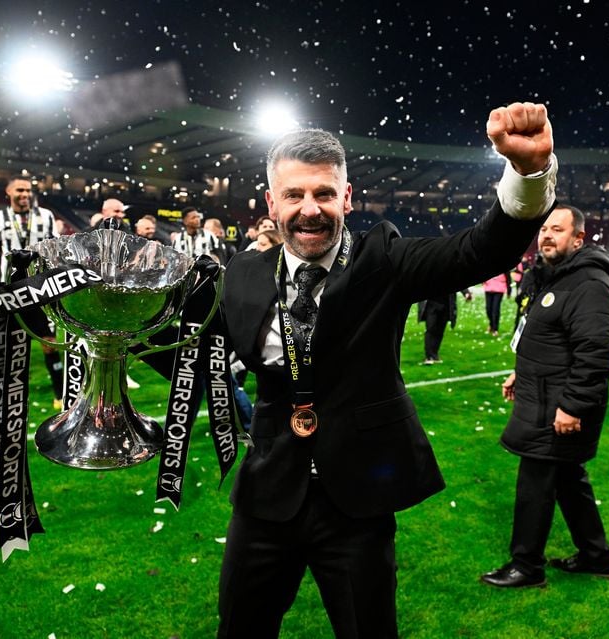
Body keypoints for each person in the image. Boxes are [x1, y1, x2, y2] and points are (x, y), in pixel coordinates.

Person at [211, 102, 556, 638]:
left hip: (357, 500)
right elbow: (199, 353)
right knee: (239, 629)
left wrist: (529, 173)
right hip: (267, 494)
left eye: (324, 193)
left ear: (346, 198)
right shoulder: (244, 273)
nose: (310, 208)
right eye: (294, 195)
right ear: (271, 202)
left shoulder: (384, 260)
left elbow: (479, 251)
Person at [482, 204, 609, 589]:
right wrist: (519, 371)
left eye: (556, 230)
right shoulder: (555, 277)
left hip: (558, 405)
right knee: (569, 481)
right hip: (543, 395)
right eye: (543, 229)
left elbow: (595, 352)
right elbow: (548, 338)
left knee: (535, 485)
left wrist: (572, 406)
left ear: (578, 238)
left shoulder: (587, 283)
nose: (546, 236)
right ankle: (596, 557)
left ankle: (526, 566)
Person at [0, 177, 64, 408]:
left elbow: (55, 252)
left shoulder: (46, 216)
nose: (25, 194)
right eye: (20, 190)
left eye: (28, 190)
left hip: (40, 288)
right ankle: (10, 393)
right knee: (9, 342)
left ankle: (59, 392)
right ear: (8, 191)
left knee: (49, 341)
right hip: (10, 291)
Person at [417, 289, 472, 364]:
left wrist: (466, 293)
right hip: (431, 304)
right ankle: (429, 356)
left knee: (440, 330)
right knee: (431, 329)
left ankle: (434, 355)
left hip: (446, 304)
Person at [483, 271, 511, 336]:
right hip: (488, 288)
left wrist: (509, 290)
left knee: (495, 309)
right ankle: (491, 324)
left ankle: (495, 329)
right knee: (488, 309)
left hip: (499, 289)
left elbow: (508, 278)